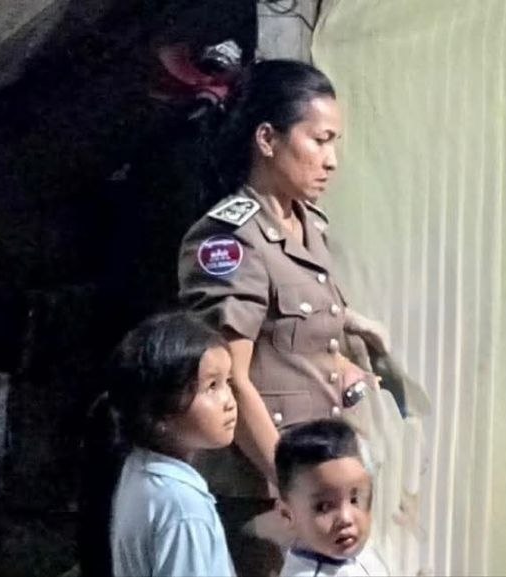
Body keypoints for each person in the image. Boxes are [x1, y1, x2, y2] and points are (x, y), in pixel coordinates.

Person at [177, 58, 424, 577]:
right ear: (267, 139)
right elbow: (229, 378)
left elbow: (298, 333)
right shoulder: (231, 239)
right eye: (320, 140)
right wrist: (294, 494)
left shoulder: (308, 225)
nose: (331, 161)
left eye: (335, 144)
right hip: (270, 496)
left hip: (317, 494)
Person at [100, 312, 238, 577]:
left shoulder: (139, 469)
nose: (229, 401)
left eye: (227, 382)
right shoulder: (184, 508)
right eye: (211, 386)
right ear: (159, 412)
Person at [275, 418, 390, 577]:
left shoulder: (366, 554)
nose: (345, 518)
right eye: (324, 507)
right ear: (287, 515)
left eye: (355, 500)